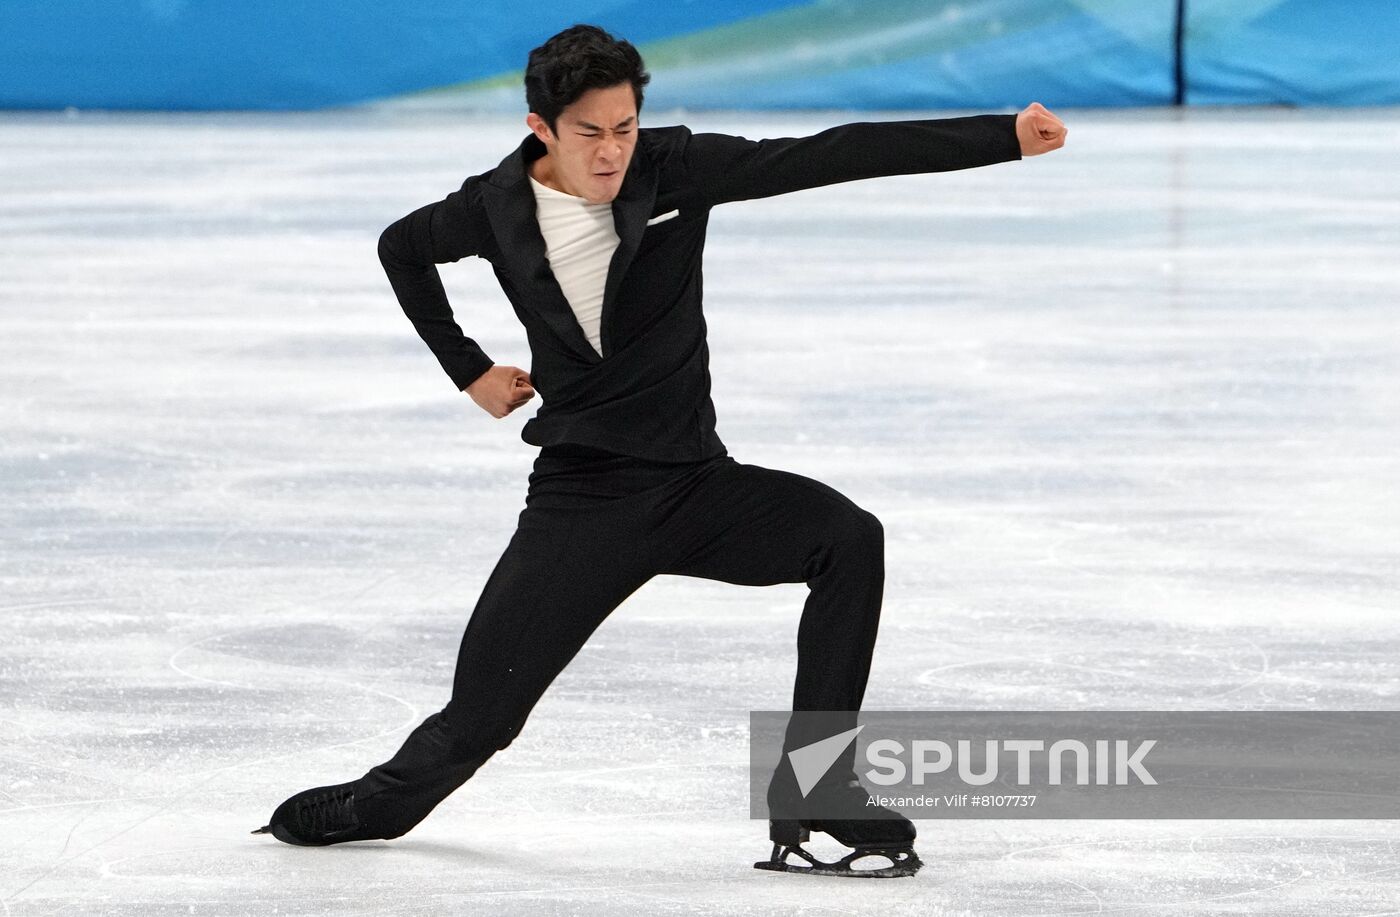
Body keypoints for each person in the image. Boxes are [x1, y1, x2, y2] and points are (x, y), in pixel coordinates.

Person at [255, 23, 1066, 877]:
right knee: (482, 720)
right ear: (541, 129)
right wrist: (472, 371)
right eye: (588, 133)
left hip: (696, 485)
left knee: (848, 537)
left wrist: (1000, 138)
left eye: (624, 128)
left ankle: (815, 790)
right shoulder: (491, 208)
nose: (611, 153)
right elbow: (401, 249)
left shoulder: (675, 170)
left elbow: (828, 153)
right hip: (584, 501)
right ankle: (374, 804)